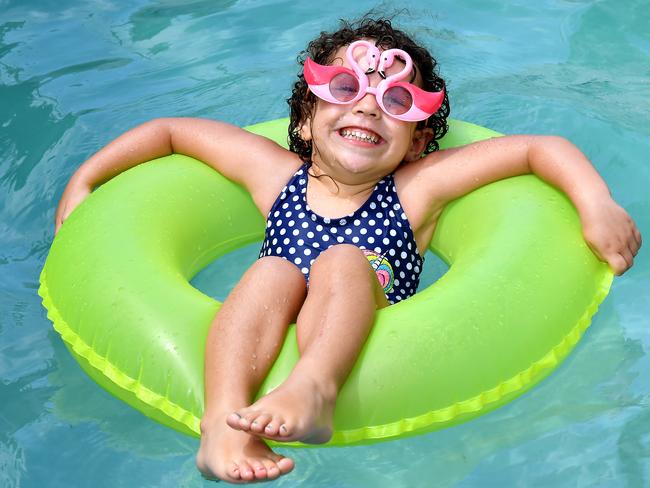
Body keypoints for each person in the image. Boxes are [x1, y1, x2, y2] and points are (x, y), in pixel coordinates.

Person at [54, 17, 641, 484]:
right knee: (271, 272)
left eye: (396, 102)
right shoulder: (276, 176)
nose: (366, 107)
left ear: (418, 141)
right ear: (306, 122)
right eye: (344, 89)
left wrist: (596, 204)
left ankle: (315, 386)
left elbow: (539, 148)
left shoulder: (414, 191)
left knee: (341, 261)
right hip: (271, 316)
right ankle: (223, 424)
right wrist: (84, 181)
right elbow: (172, 132)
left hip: (369, 336)